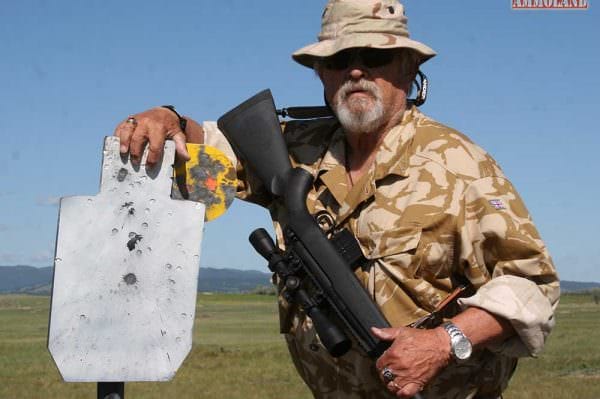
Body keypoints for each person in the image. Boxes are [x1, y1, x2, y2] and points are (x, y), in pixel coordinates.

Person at [114, 1, 560, 398]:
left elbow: (532, 285)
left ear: (407, 68)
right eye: (340, 59)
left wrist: (444, 342)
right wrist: (165, 116)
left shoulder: (461, 165)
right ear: (320, 73)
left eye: (376, 57)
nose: (356, 70)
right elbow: (204, 152)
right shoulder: (295, 151)